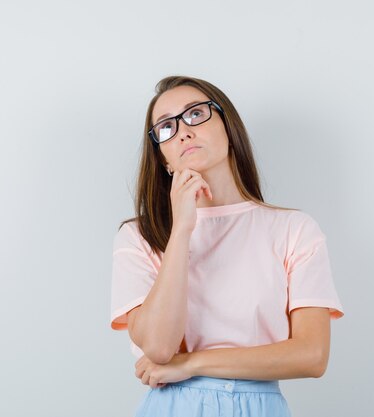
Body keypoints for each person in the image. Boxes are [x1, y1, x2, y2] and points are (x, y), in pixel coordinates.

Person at [109, 75, 345, 417]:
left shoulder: (293, 229)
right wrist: (182, 230)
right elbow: (159, 348)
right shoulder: (139, 237)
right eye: (166, 127)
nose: (184, 132)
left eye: (195, 114)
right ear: (164, 159)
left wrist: (191, 364)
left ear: (228, 127)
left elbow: (312, 355)